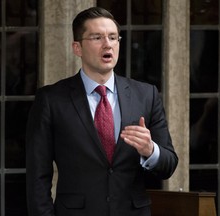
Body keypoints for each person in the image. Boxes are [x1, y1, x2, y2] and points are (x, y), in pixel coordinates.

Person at [26, 7, 178, 216]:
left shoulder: (146, 95)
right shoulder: (51, 100)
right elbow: (37, 177)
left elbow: (169, 164)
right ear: (77, 48)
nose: (108, 44)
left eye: (113, 37)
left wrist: (150, 150)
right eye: (97, 37)